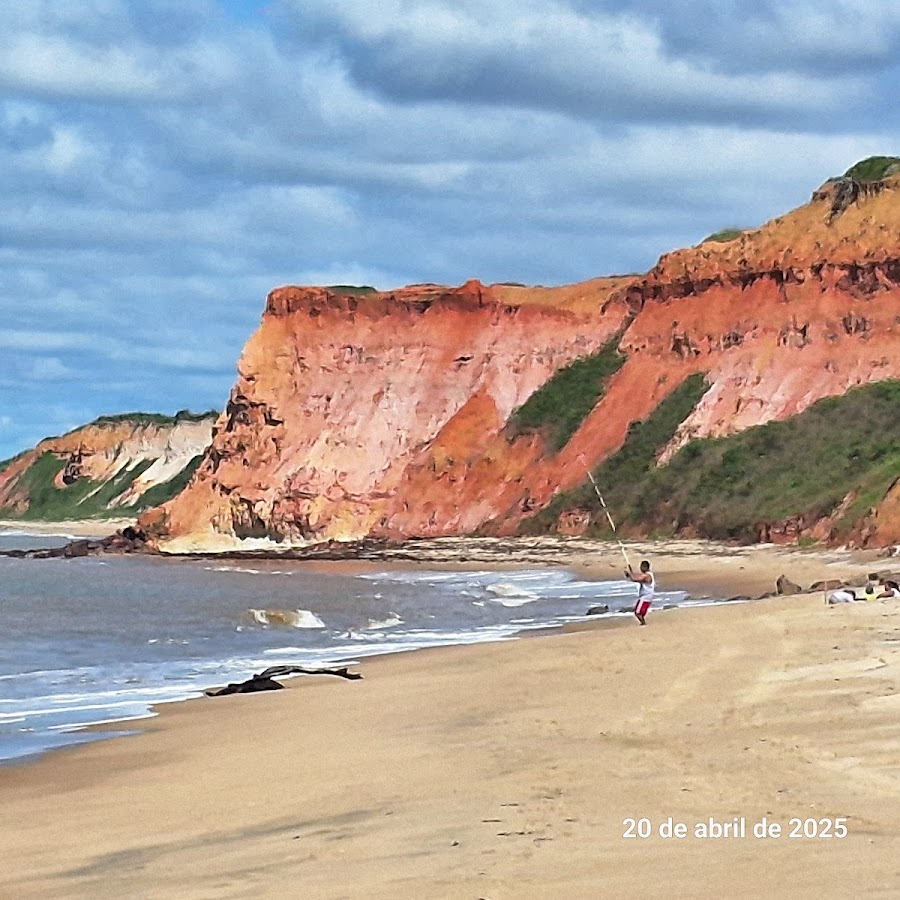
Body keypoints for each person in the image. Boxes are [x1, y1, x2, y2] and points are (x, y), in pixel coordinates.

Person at [626, 559, 655, 625]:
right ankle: (643, 622)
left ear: (645, 567)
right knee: (641, 612)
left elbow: (636, 579)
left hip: (645, 597)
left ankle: (643, 623)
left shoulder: (647, 576)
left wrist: (629, 576)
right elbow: (638, 577)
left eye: (641, 567)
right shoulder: (648, 574)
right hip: (647, 596)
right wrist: (632, 574)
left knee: (637, 612)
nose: (640, 568)